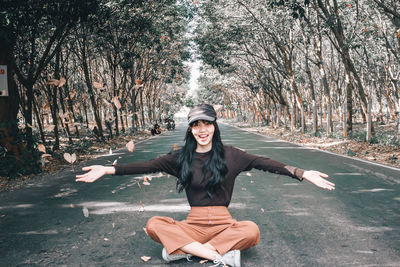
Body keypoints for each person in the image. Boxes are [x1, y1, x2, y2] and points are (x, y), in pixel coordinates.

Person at [76, 104, 335, 267]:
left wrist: (302, 172)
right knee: (154, 224)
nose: (202, 129)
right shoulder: (179, 158)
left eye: (207, 124)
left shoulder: (232, 155)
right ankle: (219, 257)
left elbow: (265, 162)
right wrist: (109, 169)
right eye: (196, 125)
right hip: (193, 225)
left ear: (214, 127)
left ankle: (184, 252)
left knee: (251, 230)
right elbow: (147, 165)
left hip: (225, 224)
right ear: (190, 130)